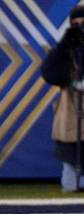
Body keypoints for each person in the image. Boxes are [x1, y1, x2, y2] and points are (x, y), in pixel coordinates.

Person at [41, 4, 84, 192]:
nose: (80, 27)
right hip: (72, 110)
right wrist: (65, 45)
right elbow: (50, 74)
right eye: (76, 24)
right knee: (70, 181)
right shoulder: (66, 48)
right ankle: (75, 181)